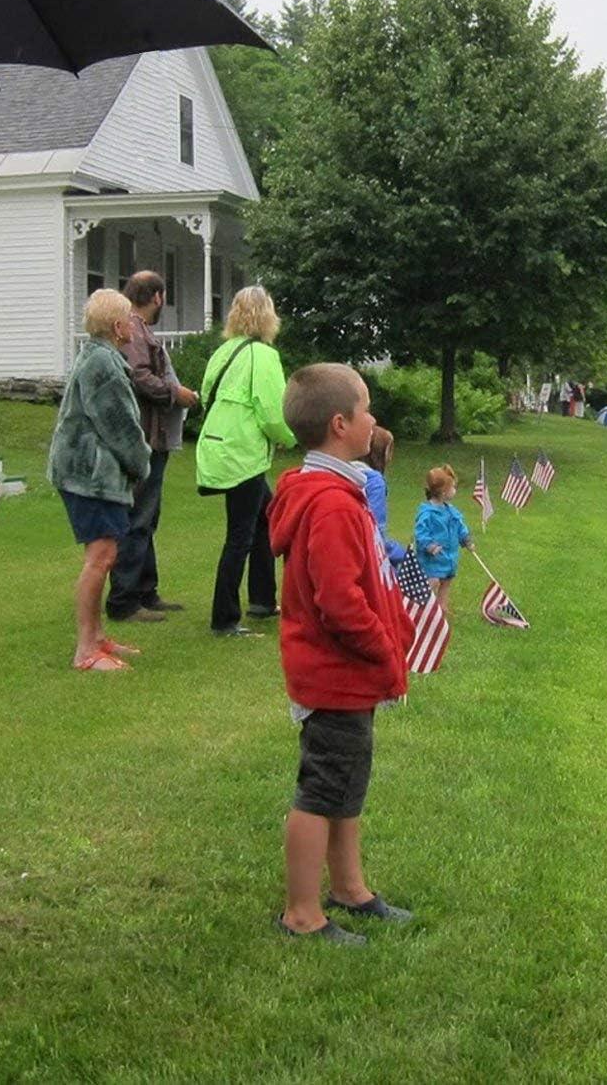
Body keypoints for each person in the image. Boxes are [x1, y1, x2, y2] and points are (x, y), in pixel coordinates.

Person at [267, 363, 414, 944]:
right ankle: (301, 913)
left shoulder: (338, 492)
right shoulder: (329, 504)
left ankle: (349, 888)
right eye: (367, 408)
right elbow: (339, 602)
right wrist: (385, 654)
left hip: (346, 675)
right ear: (339, 423)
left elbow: (369, 580)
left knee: (347, 785)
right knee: (321, 791)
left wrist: (396, 627)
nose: (374, 419)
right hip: (335, 675)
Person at [48, 288, 152, 670]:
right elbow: (120, 426)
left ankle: (97, 637)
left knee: (104, 556)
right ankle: (86, 650)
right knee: (100, 557)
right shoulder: (103, 365)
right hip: (88, 476)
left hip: (89, 474)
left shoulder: (101, 358)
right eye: (130, 318)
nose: (135, 326)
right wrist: (142, 464)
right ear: (117, 325)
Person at [195, 285, 296, 637]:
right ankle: (224, 618)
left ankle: (262, 600)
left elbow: (206, 393)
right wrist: (289, 438)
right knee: (239, 534)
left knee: (264, 519)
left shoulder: (223, 351)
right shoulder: (264, 356)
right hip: (244, 454)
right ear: (268, 316)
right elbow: (272, 410)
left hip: (222, 448)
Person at [107, 270, 198, 623]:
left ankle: (146, 590)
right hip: (143, 437)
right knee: (138, 517)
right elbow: (139, 376)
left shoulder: (139, 330)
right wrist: (177, 394)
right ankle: (124, 600)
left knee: (147, 516)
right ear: (157, 296)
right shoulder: (133, 330)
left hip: (153, 436)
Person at [414, 466, 472, 614]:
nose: (454, 490)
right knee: (432, 581)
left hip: (449, 557)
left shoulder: (451, 511)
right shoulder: (427, 513)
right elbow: (420, 532)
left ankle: (441, 608)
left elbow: (460, 527)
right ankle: (419, 607)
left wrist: (466, 539)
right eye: (453, 487)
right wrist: (429, 546)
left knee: (446, 582)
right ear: (443, 491)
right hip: (433, 558)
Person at [362, 425, 407, 567]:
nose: (390, 457)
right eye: (389, 450)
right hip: (370, 554)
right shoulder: (375, 481)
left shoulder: (349, 472)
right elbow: (375, 527)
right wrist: (400, 553)